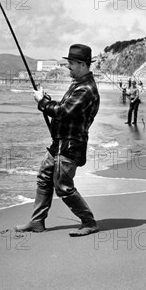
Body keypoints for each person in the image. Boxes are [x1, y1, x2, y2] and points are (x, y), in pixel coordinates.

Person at [15, 44, 100, 237]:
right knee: (44, 178)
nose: (68, 67)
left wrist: (42, 102)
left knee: (63, 187)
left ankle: (89, 222)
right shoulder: (77, 85)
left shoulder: (86, 89)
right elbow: (65, 108)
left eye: (71, 63)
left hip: (70, 146)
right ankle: (37, 222)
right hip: (59, 144)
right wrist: (47, 100)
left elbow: (63, 112)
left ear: (82, 64)